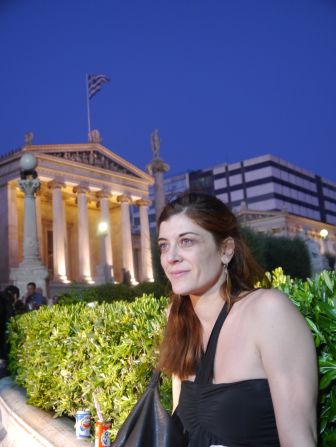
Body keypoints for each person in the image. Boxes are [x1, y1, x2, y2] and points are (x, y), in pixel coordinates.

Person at [157, 192, 318, 447]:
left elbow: (300, 441)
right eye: (164, 245)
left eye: (186, 241)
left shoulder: (268, 312)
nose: (171, 257)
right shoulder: (178, 318)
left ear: (226, 250)